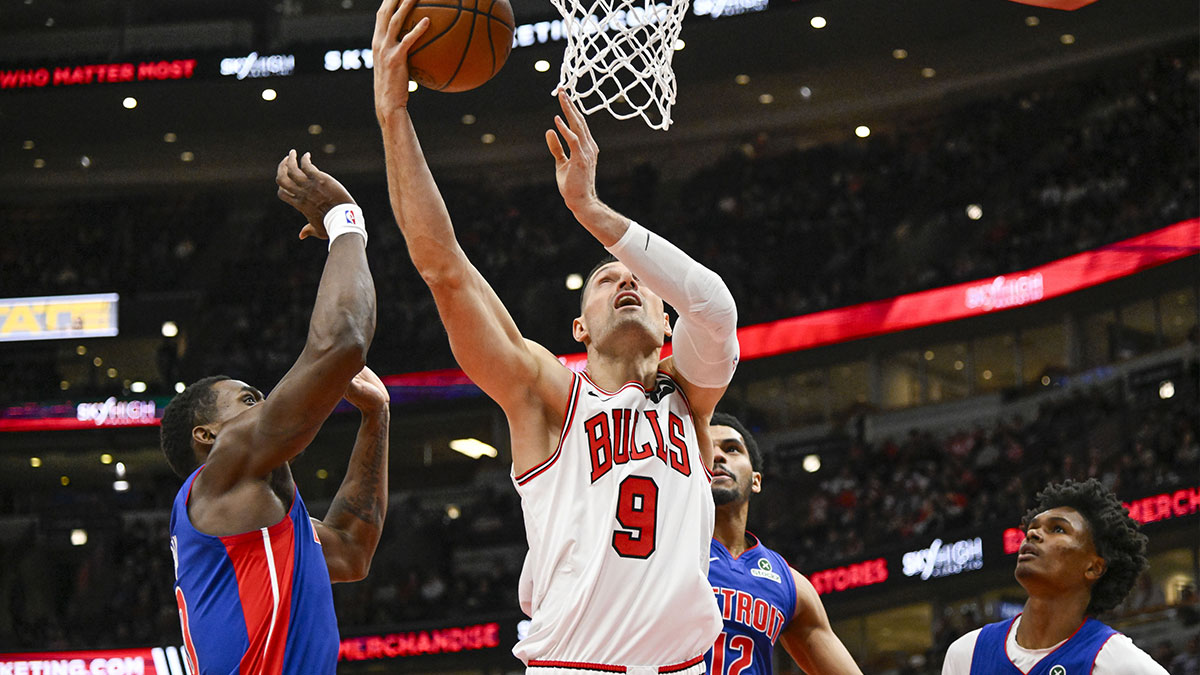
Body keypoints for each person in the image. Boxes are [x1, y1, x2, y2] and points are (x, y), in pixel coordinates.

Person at [371, 0, 739, 670]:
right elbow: (445, 270)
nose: (625, 281)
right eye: (606, 280)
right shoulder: (546, 396)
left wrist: (594, 213)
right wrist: (394, 116)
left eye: (640, 281)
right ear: (579, 326)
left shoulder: (694, 399)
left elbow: (713, 308)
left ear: (665, 322)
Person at [160, 151, 389, 674]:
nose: (267, 404)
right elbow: (343, 341)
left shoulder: (263, 524)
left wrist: (376, 420)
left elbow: (352, 551)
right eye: (247, 399)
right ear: (208, 435)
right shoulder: (222, 470)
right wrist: (344, 220)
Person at [942, 478, 1167, 674]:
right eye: (1032, 527)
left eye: (1058, 529)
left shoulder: (1119, 664)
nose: (1032, 533)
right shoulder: (966, 654)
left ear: (1094, 567)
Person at [705, 413, 862, 675]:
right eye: (705, 449)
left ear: (756, 480)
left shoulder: (790, 584)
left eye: (732, 449)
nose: (718, 456)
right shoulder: (660, 554)